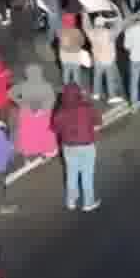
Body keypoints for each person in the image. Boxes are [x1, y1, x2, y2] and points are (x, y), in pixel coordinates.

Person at [51, 82, 102, 210]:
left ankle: (71, 200)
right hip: (87, 145)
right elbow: (98, 121)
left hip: (68, 147)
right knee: (87, 174)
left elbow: (55, 128)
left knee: (71, 173)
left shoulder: (60, 111)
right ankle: (88, 202)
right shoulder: (87, 107)